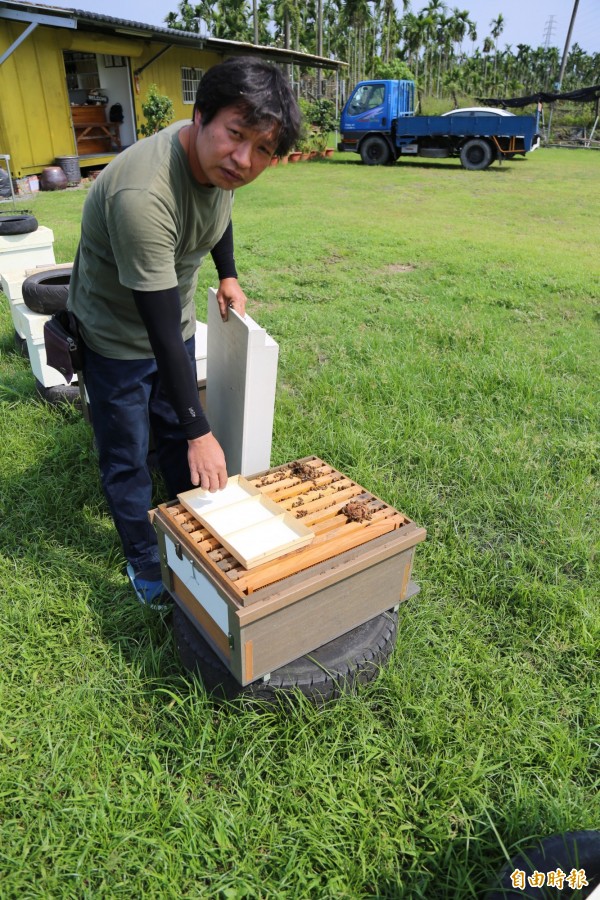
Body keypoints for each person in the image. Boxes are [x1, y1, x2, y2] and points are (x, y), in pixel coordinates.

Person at [68, 57, 301, 608]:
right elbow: (154, 331)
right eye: (235, 135)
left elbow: (220, 211)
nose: (244, 160)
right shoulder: (143, 196)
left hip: (167, 320)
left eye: (263, 149)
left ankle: (188, 523)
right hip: (115, 335)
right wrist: (202, 430)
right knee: (128, 453)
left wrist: (228, 273)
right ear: (200, 119)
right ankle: (144, 560)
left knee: (175, 430)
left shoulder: (222, 166)